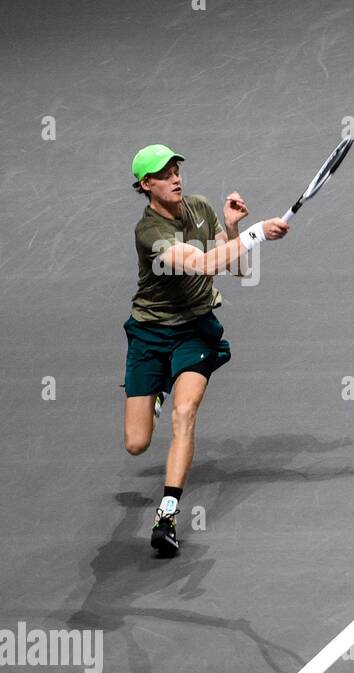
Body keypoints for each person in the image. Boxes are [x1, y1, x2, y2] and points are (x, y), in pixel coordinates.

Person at [124, 144, 289, 556]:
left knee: (185, 412)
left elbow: (236, 268)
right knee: (136, 443)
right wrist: (256, 234)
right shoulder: (150, 233)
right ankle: (158, 388)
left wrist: (233, 228)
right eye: (164, 174)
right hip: (150, 333)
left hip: (196, 329)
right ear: (146, 185)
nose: (175, 178)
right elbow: (202, 265)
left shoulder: (198, 207)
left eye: (176, 169)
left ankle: (167, 513)